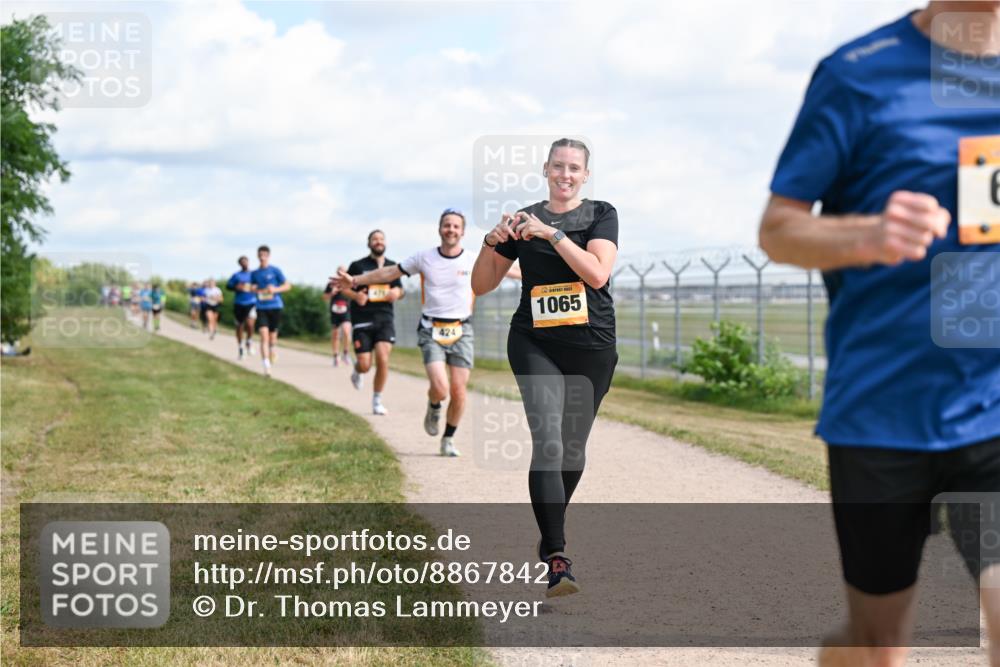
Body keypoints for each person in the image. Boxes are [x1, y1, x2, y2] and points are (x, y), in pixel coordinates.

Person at [758, 4, 999, 666]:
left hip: (993, 403)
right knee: (876, 647)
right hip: (880, 411)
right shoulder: (857, 75)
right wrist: (865, 234)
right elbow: (776, 230)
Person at [471, 138, 619, 598]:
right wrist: (491, 242)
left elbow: (597, 274)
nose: (565, 174)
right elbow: (481, 283)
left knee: (573, 450)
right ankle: (557, 557)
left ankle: (549, 524)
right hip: (534, 340)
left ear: (585, 175)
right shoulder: (522, 219)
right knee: (549, 442)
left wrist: (551, 234)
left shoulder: (600, 214)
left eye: (574, 168)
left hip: (591, 346)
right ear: (545, 169)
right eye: (558, 166)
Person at [339, 230, 403, 415]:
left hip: (385, 318)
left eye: (381, 239)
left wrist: (396, 293)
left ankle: (377, 400)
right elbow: (343, 288)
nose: (378, 241)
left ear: (386, 243)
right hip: (362, 320)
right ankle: (357, 371)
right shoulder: (358, 265)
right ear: (369, 243)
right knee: (365, 365)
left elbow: (400, 289)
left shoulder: (393, 266)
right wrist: (355, 295)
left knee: (383, 358)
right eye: (375, 239)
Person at [250, 245, 290, 377]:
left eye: (264, 255)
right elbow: (251, 288)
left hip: (275, 306)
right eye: (260, 255)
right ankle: (266, 365)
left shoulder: (275, 270)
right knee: (263, 335)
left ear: (268, 256)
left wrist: (275, 290)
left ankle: (273, 350)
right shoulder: (254, 273)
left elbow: (287, 286)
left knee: (272, 337)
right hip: (261, 307)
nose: (262, 257)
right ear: (257, 256)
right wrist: (255, 289)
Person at [226, 256, 258, 360]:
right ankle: (240, 347)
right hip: (239, 303)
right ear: (239, 264)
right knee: (239, 326)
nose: (244, 263)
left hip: (251, 302)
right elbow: (228, 286)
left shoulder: (254, 274)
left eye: (246, 261)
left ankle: (249, 340)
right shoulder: (236, 275)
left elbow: (260, 285)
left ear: (248, 262)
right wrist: (236, 287)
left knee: (250, 324)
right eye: (242, 262)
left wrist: (255, 287)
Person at [323, 266, 353, 367]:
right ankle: (336, 356)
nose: (341, 273)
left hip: (346, 311)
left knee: (346, 331)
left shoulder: (350, 283)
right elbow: (324, 297)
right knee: (335, 334)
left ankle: (346, 353)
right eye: (339, 271)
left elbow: (354, 295)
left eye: (343, 271)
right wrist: (332, 293)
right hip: (335, 312)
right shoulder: (331, 284)